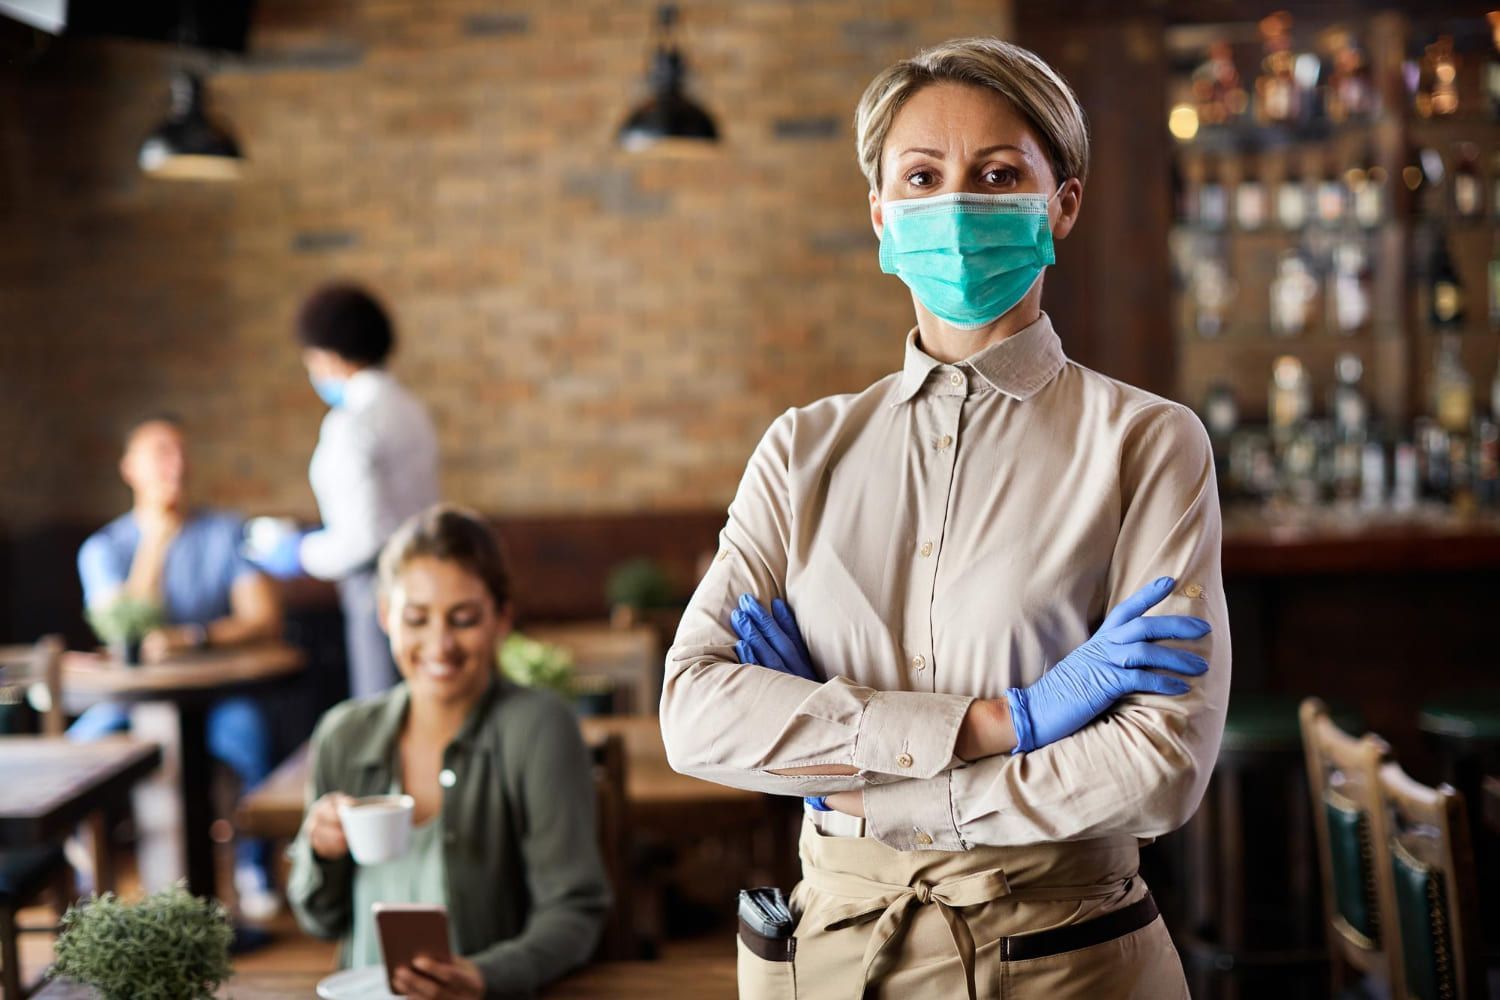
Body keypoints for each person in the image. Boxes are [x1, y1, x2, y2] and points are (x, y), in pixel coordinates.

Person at [659, 37, 1229, 999]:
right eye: (921, 176)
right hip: (834, 960)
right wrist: (1004, 722)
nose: (956, 204)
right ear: (881, 214)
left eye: (999, 173)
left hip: (1067, 963)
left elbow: (1158, 767)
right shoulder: (802, 451)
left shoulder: (1148, 443)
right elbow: (694, 714)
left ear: (1064, 203)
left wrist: (854, 774)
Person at [287, 504, 610, 999]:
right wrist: (319, 852)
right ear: (385, 616)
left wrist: (488, 976)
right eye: (416, 619)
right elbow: (322, 919)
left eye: (462, 619)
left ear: (502, 618)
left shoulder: (540, 728)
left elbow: (576, 909)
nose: (439, 645)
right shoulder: (343, 735)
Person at [74, 414, 283, 916]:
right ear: (130, 468)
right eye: (161, 451)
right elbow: (122, 626)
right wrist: (158, 539)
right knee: (79, 758)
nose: (177, 463)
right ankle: (87, 879)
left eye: (181, 451)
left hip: (217, 698)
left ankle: (254, 870)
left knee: (251, 742)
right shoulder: (104, 549)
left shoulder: (226, 531)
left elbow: (263, 617)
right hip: (128, 704)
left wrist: (194, 637)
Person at [256, 284, 440, 700]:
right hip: (429, 573)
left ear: (329, 355)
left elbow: (362, 539)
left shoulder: (351, 423)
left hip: (377, 588)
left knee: (381, 716)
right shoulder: (412, 410)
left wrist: (297, 552)